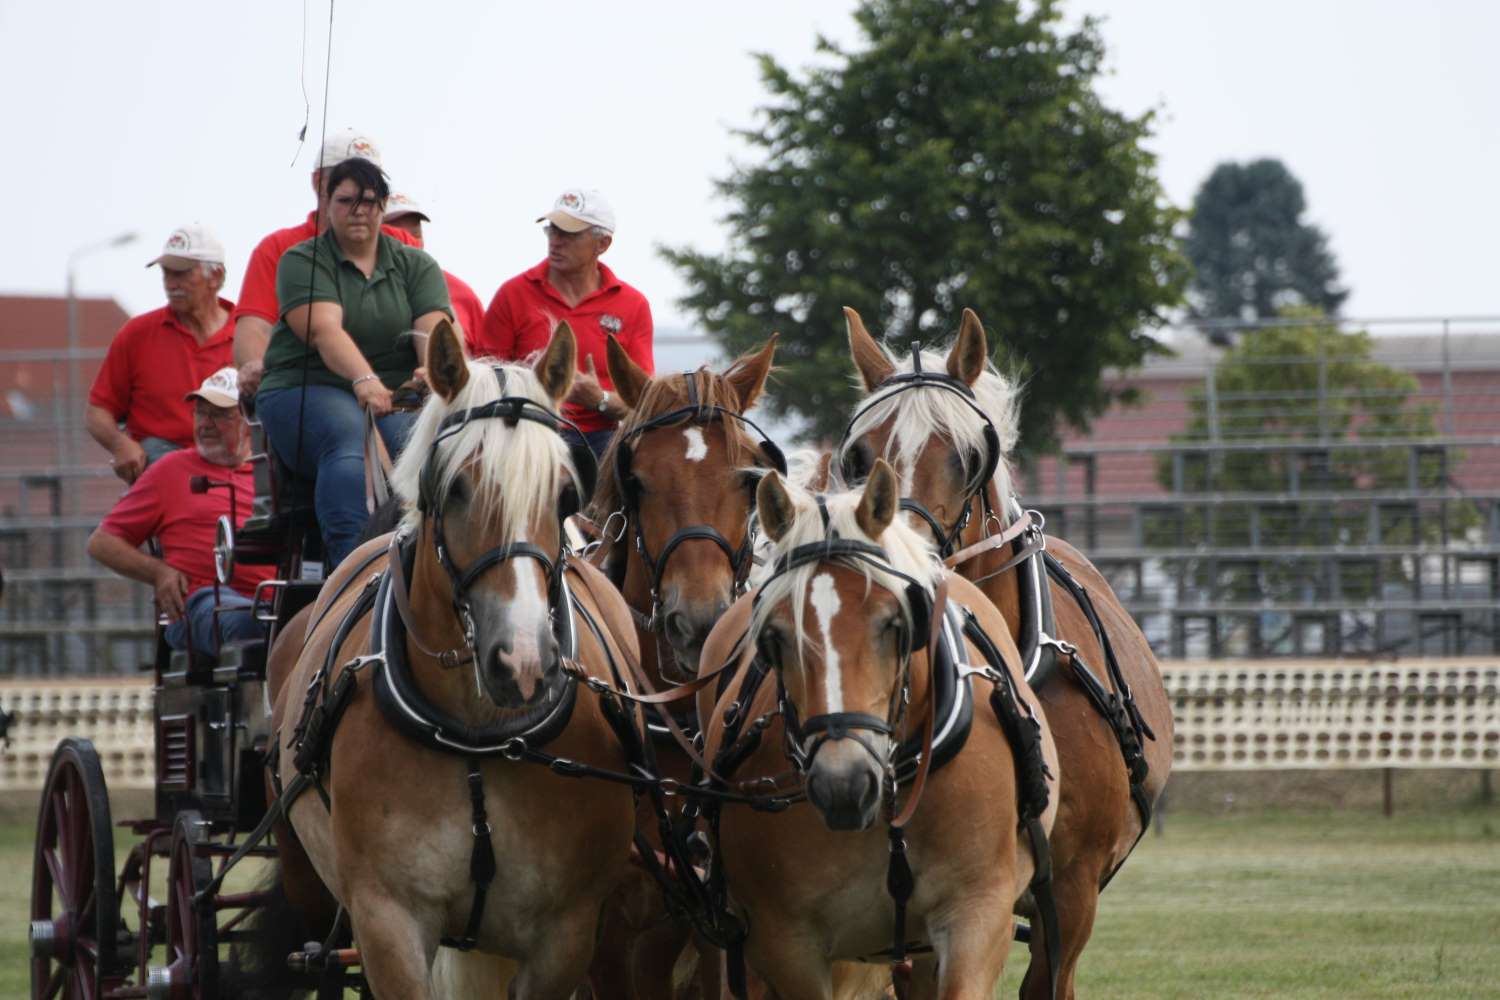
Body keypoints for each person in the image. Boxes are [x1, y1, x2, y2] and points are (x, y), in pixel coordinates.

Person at [254, 156, 453, 569]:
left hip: (394, 397)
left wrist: (430, 370)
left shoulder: (416, 264)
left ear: (383, 206)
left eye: (369, 201)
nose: (358, 211)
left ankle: (435, 564)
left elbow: (433, 329)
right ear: (326, 205)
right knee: (348, 442)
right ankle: (355, 570)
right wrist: (364, 379)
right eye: (345, 201)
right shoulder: (301, 261)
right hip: (305, 388)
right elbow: (322, 330)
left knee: (426, 444)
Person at [87, 368, 273, 657]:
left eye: (219, 415)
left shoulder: (271, 471)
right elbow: (102, 543)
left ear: (249, 421)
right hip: (200, 602)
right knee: (247, 621)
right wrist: (158, 572)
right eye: (200, 413)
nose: (206, 423)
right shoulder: (169, 471)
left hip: (270, 597)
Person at [233, 129, 422, 398]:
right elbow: (255, 327)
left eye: (369, 177)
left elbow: (430, 314)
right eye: (345, 177)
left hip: (393, 388)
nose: (358, 187)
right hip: (313, 388)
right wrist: (257, 366)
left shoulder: (403, 245)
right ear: (318, 183)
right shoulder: (278, 247)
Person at [473, 188, 654, 457]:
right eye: (552, 230)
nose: (555, 242)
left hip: (600, 438)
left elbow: (644, 402)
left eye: (569, 234)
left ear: (603, 244)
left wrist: (599, 400)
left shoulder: (633, 304)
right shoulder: (513, 294)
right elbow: (484, 380)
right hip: (523, 429)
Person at [86, 224, 235, 483]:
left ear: (216, 276)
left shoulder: (249, 332)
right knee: (156, 452)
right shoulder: (137, 334)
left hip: (232, 466)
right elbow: (97, 412)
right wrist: (121, 445)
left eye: (182, 274)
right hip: (162, 471)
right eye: (166, 273)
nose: (170, 284)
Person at [383, 192, 486, 345]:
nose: (408, 241)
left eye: (416, 234)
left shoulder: (463, 294)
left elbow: (486, 354)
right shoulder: (357, 286)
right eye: (394, 233)